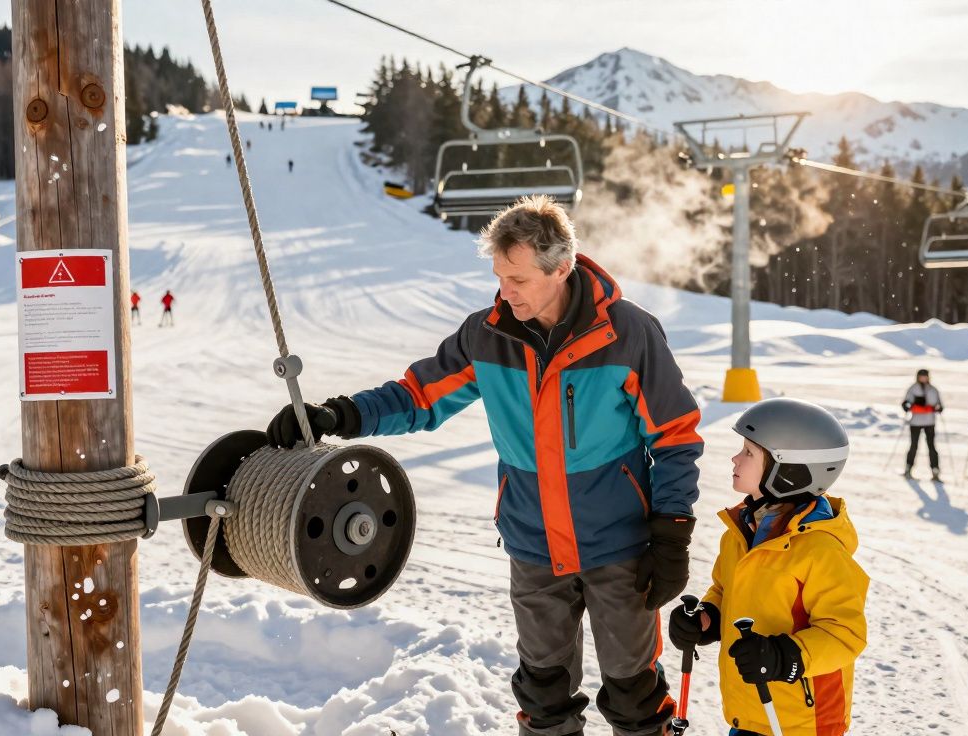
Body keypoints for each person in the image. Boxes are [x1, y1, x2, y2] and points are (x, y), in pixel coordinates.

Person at [265, 196, 703, 736]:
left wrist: (672, 531)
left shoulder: (627, 333)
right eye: (499, 277)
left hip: (619, 546)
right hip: (533, 542)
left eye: (517, 279)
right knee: (543, 693)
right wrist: (341, 413)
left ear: (561, 268)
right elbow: (419, 396)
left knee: (633, 693)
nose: (506, 292)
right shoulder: (487, 334)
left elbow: (676, 435)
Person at [668, 398, 868, 736]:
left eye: (749, 452)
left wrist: (786, 657)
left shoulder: (821, 550)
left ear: (788, 471)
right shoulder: (741, 531)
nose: (735, 458)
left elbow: (845, 635)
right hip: (750, 711)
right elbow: (724, 589)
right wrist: (706, 619)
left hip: (802, 723)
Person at [901, 368, 943, 481]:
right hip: (915, 422)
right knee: (914, 445)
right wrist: (908, 406)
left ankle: (935, 470)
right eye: (921, 376)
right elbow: (905, 403)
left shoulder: (933, 390)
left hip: (930, 422)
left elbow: (940, 405)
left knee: (931, 446)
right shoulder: (913, 389)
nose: (923, 378)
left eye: (925, 376)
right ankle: (908, 468)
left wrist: (938, 408)